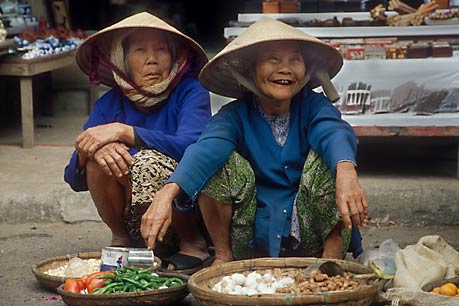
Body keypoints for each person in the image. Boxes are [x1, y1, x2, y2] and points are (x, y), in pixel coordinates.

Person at [140, 17, 368, 264]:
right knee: (217, 165)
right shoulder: (235, 116)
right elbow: (206, 149)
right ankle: (224, 257)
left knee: (331, 159)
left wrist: (345, 169)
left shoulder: (313, 106)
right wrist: (167, 193)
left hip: (311, 233)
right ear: (250, 70)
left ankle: (331, 260)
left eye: (295, 59)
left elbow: (333, 130)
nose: (285, 68)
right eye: (273, 60)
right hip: (254, 238)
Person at [64, 12, 213, 273]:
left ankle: (193, 244)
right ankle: (123, 239)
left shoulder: (190, 92)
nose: (151, 59)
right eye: (139, 50)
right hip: (137, 219)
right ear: (123, 60)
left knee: (147, 161)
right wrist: (94, 150)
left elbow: (194, 145)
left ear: (174, 57)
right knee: (99, 161)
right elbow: (73, 178)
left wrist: (125, 133)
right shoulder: (109, 103)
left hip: (184, 208)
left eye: (161, 50)